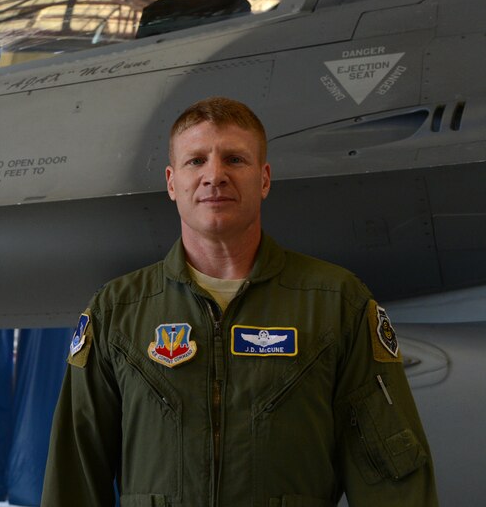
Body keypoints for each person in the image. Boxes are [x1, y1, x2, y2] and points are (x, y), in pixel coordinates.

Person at [41, 97, 438, 507]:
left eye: (234, 159)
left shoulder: (337, 304)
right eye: (196, 161)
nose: (215, 175)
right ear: (172, 182)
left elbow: (393, 474)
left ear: (264, 179)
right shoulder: (117, 312)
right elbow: (74, 476)